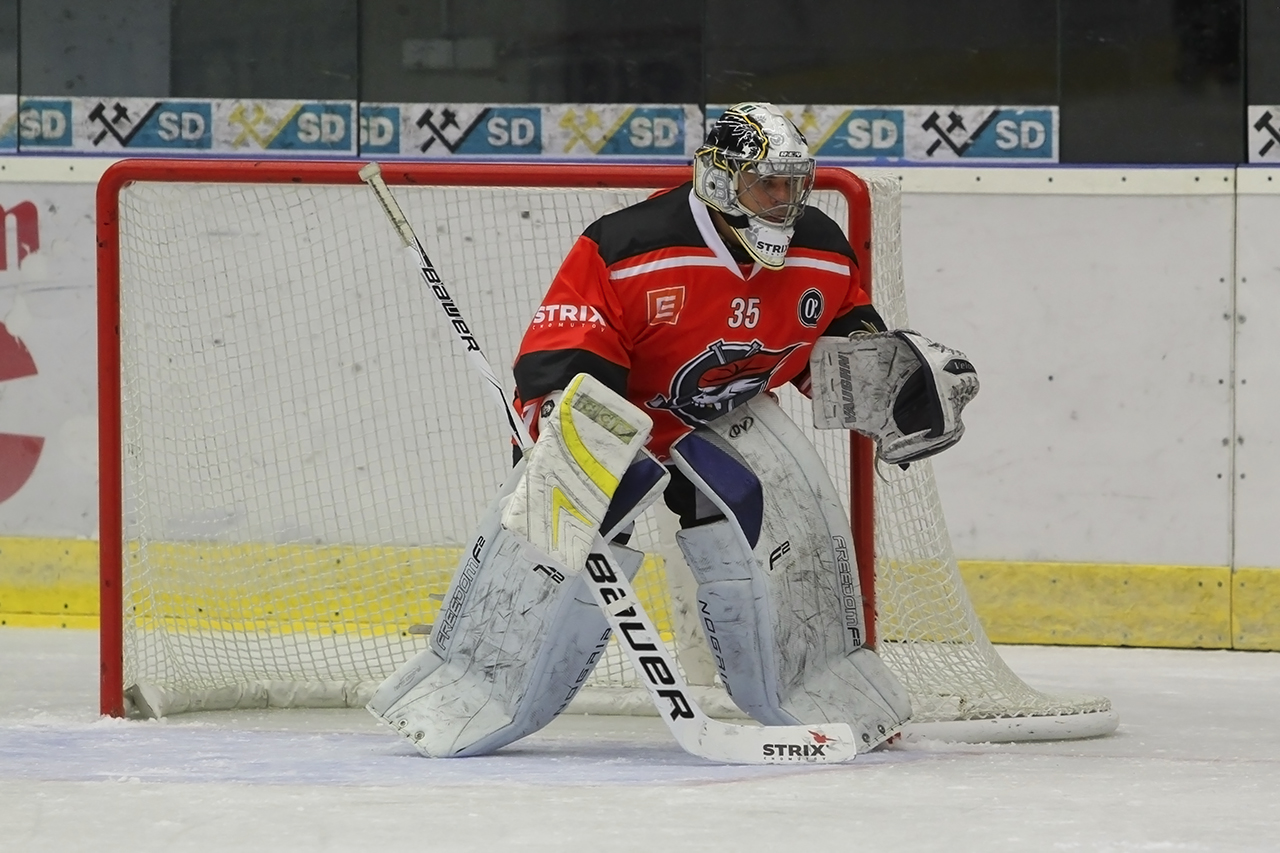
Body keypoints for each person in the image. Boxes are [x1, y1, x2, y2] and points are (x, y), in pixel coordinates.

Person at [367, 102, 978, 758]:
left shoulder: (822, 251)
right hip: (613, 418)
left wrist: (894, 387)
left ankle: (827, 691)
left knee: (784, 525)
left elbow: (836, 351)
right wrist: (573, 441)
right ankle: (464, 691)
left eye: (793, 184)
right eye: (765, 184)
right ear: (719, 180)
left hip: (724, 420)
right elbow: (568, 353)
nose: (783, 201)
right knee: (569, 528)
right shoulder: (628, 245)